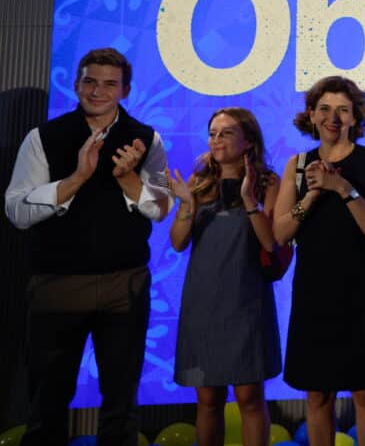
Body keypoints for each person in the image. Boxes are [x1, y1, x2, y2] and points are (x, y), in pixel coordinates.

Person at [4, 47, 173, 446]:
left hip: (124, 284)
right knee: (47, 402)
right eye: (89, 81)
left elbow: (161, 207)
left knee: (121, 405)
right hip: (56, 285)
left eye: (109, 83)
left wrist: (127, 177)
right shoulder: (43, 138)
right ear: (77, 83)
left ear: (125, 90)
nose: (98, 91)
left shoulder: (147, 138)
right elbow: (17, 211)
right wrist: (77, 178)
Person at [273, 76, 365, 446]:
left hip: (364, 292)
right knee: (317, 394)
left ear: (354, 117)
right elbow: (281, 233)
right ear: (311, 116)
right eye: (325, 109)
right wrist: (312, 197)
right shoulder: (297, 166)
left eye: (342, 110)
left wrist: (342, 189)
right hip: (315, 293)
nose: (333, 117)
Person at [167, 107, 282, 446]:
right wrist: (187, 204)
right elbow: (177, 242)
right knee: (207, 400)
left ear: (248, 141)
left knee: (249, 397)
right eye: (213, 133)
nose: (216, 139)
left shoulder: (267, 183)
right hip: (202, 304)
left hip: (246, 301)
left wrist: (248, 199)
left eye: (226, 132)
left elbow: (271, 242)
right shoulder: (199, 181)